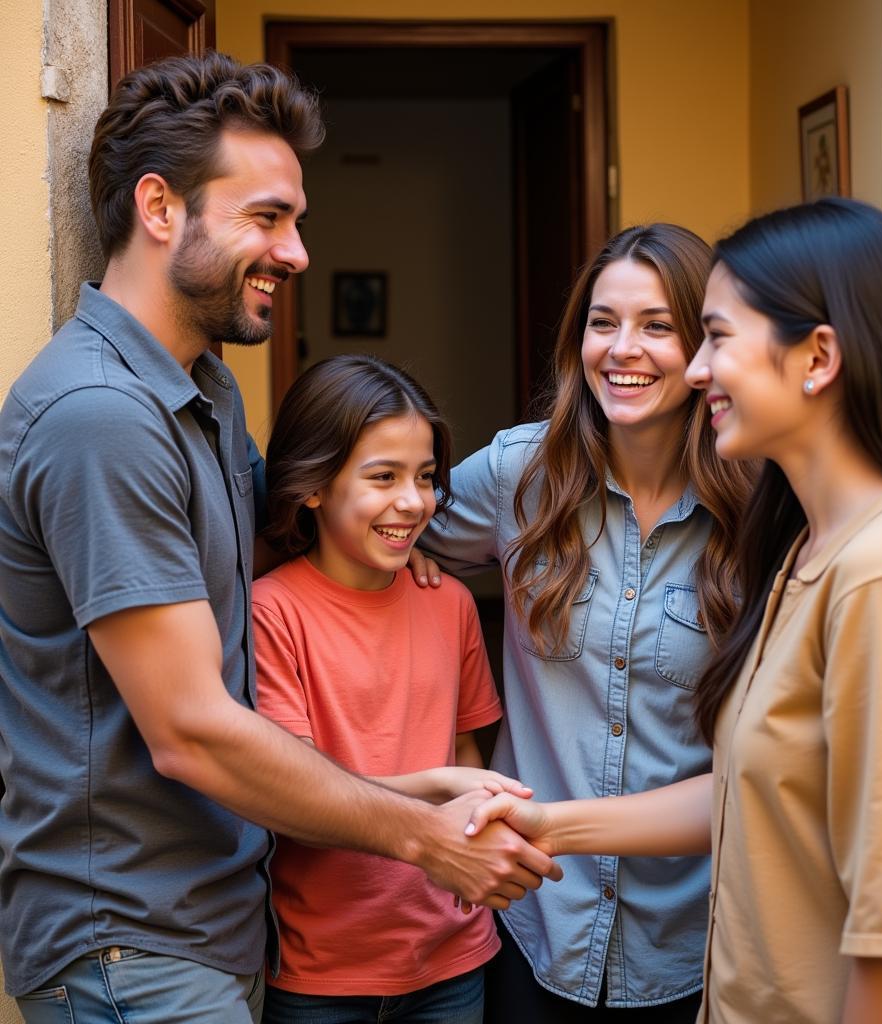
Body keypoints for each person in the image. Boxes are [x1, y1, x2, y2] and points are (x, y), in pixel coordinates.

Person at [0, 52, 558, 1024]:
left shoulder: (204, 392)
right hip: (129, 942)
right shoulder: (102, 415)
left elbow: (294, 547)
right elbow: (190, 731)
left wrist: (394, 542)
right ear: (160, 208)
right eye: (268, 218)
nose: (297, 252)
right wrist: (425, 838)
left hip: (206, 924)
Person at [462, 198, 882, 1024]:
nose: (694, 370)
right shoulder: (811, 550)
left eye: (713, 337)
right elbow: (755, 791)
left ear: (817, 358)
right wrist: (547, 822)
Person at [411, 223, 755, 1021]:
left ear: (704, 347)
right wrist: (412, 573)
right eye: (604, 323)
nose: (622, 349)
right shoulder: (517, 476)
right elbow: (373, 532)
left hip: (694, 939)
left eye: (657, 325)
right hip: (532, 924)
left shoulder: (757, 506)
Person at [253, 355, 519, 1024]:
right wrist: (436, 791)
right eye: (383, 477)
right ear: (314, 486)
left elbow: (465, 754)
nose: (412, 502)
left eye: (426, 477)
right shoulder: (272, 613)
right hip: (320, 972)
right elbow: (297, 797)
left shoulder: (450, 602)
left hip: (453, 958)